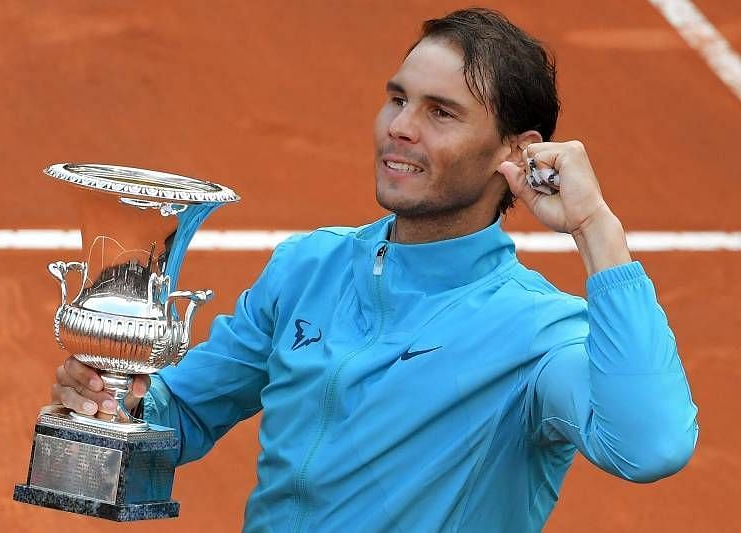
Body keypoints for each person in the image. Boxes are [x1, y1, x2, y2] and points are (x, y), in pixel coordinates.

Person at [51, 7, 698, 532]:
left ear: (517, 151)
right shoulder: (308, 267)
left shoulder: (535, 336)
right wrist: (114, 402)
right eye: (397, 100)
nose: (400, 128)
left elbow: (650, 443)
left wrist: (596, 229)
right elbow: (183, 413)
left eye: (440, 112)